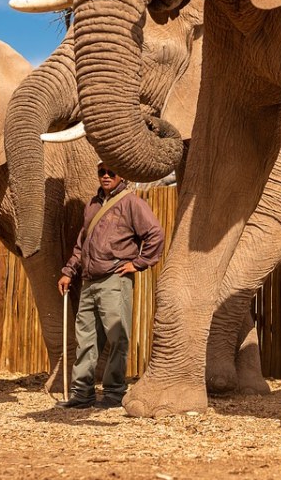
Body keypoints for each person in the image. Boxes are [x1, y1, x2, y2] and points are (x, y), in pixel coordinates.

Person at [57, 161, 165, 409]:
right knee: (85, 339)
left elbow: (155, 233)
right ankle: (82, 394)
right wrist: (68, 272)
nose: (106, 176)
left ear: (121, 175)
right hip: (88, 282)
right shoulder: (93, 204)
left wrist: (139, 263)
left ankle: (114, 394)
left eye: (111, 172)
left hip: (114, 280)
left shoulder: (131, 203)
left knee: (117, 337)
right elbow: (81, 243)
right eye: (101, 172)